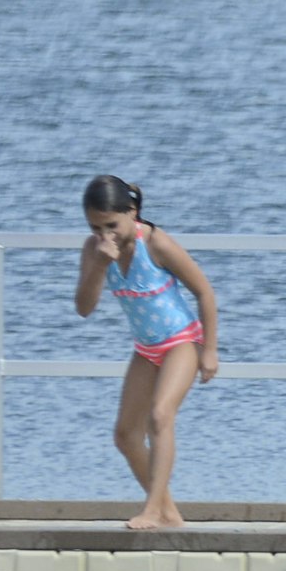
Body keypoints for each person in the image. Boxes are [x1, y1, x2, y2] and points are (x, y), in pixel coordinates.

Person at [72, 176, 219, 531]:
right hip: (146, 348)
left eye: (112, 225)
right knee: (125, 434)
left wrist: (210, 350)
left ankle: (152, 510)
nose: (105, 235)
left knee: (159, 415)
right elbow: (84, 307)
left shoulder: (156, 243)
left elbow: (204, 292)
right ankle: (168, 511)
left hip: (182, 341)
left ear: (133, 213)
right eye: (96, 227)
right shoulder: (94, 251)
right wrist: (100, 265)